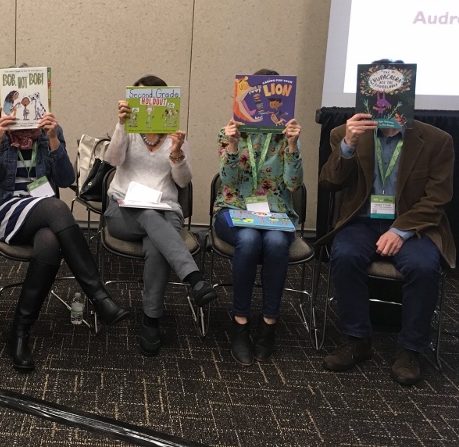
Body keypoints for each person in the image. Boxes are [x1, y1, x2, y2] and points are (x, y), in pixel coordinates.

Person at [318, 66, 454, 385]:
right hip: (362, 221)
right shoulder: (344, 134)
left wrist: (400, 230)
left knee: (423, 267)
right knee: (345, 255)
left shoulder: (437, 141)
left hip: (413, 226)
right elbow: (329, 183)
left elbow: (437, 198)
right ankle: (357, 339)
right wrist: (348, 145)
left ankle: (411, 349)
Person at [0, 102, 129, 371]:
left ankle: (19, 332)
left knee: (50, 242)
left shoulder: (49, 132)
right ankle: (99, 296)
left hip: (43, 215)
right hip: (3, 211)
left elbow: (66, 179)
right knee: (57, 207)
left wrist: (54, 139)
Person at [103, 75, 217, 356]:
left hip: (166, 210)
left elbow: (183, 182)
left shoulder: (175, 135)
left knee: (157, 245)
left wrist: (177, 153)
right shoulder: (129, 130)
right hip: (123, 209)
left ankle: (150, 319)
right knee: (146, 213)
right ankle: (193, 277)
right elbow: (112, 160)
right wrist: (121, 124)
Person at [213, 69, 303, 366]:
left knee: (276, 244)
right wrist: (233, 145)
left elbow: (293, 185)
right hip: (233, 208)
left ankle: (268, 324)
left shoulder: (285, 135)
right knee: (249, 240)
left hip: (276, 211)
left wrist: (292, 145)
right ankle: (240, 324)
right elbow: (228, 182)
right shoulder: (229, 132)